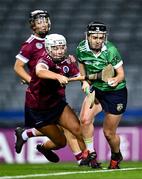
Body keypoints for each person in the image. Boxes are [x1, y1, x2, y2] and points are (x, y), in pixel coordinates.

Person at [14, 9, 83, 164]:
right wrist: (31, 79)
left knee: (70, 126)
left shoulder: (53, 40)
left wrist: (69, 59)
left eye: (46, 20)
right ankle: (79, 157)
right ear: (32, 25)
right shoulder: (29, 45)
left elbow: (60, 59)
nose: (44, 24)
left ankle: (81, 158)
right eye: (39, 21)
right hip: (41, 95)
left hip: (57, 92)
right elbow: (18, 67)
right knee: (59, 132)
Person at [20, 33, 93, 165]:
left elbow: (78, 76)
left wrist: (86, 84)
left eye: (61, 47)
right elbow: (40, 71)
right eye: (55, 48)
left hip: (57, 104)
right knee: (61, 142)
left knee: (78, 130)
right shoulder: (43, 60)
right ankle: (43, 148)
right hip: (38, 109)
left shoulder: (67, 61)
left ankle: (89, 160)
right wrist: (58, 76)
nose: (59, 51)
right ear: (48, 48)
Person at [76, 21, 127, 169]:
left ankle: (116, 155)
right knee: (85, 120)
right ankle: (91, 153)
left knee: (109, 133)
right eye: (94, 37)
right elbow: (82, 72)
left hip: (115, 93)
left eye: (101, 37)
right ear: (88, 36)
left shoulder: (111, 50)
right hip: (96, 89)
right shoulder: (81, 48)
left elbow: (121, 75)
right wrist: (84, 83)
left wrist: (115, 79)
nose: (98, 41)